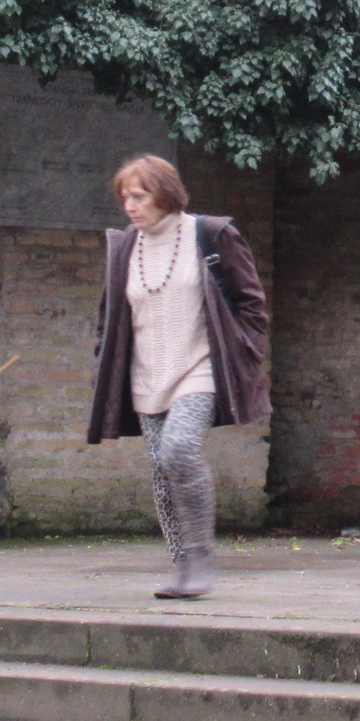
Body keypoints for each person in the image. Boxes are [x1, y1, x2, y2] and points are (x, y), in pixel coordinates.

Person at [88, 155, 269, 599]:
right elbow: (109, 315)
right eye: (125, 197)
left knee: (179, 449)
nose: (130, 206)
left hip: (199, 368)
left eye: (139, 196)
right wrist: (102, 360)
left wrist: (245, 352)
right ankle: (182, 565)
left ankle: (201, 555)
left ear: (166, 194)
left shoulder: (211, 235)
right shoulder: (124, 247)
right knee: (160, 467)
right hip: (146, 375)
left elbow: (251, 303)